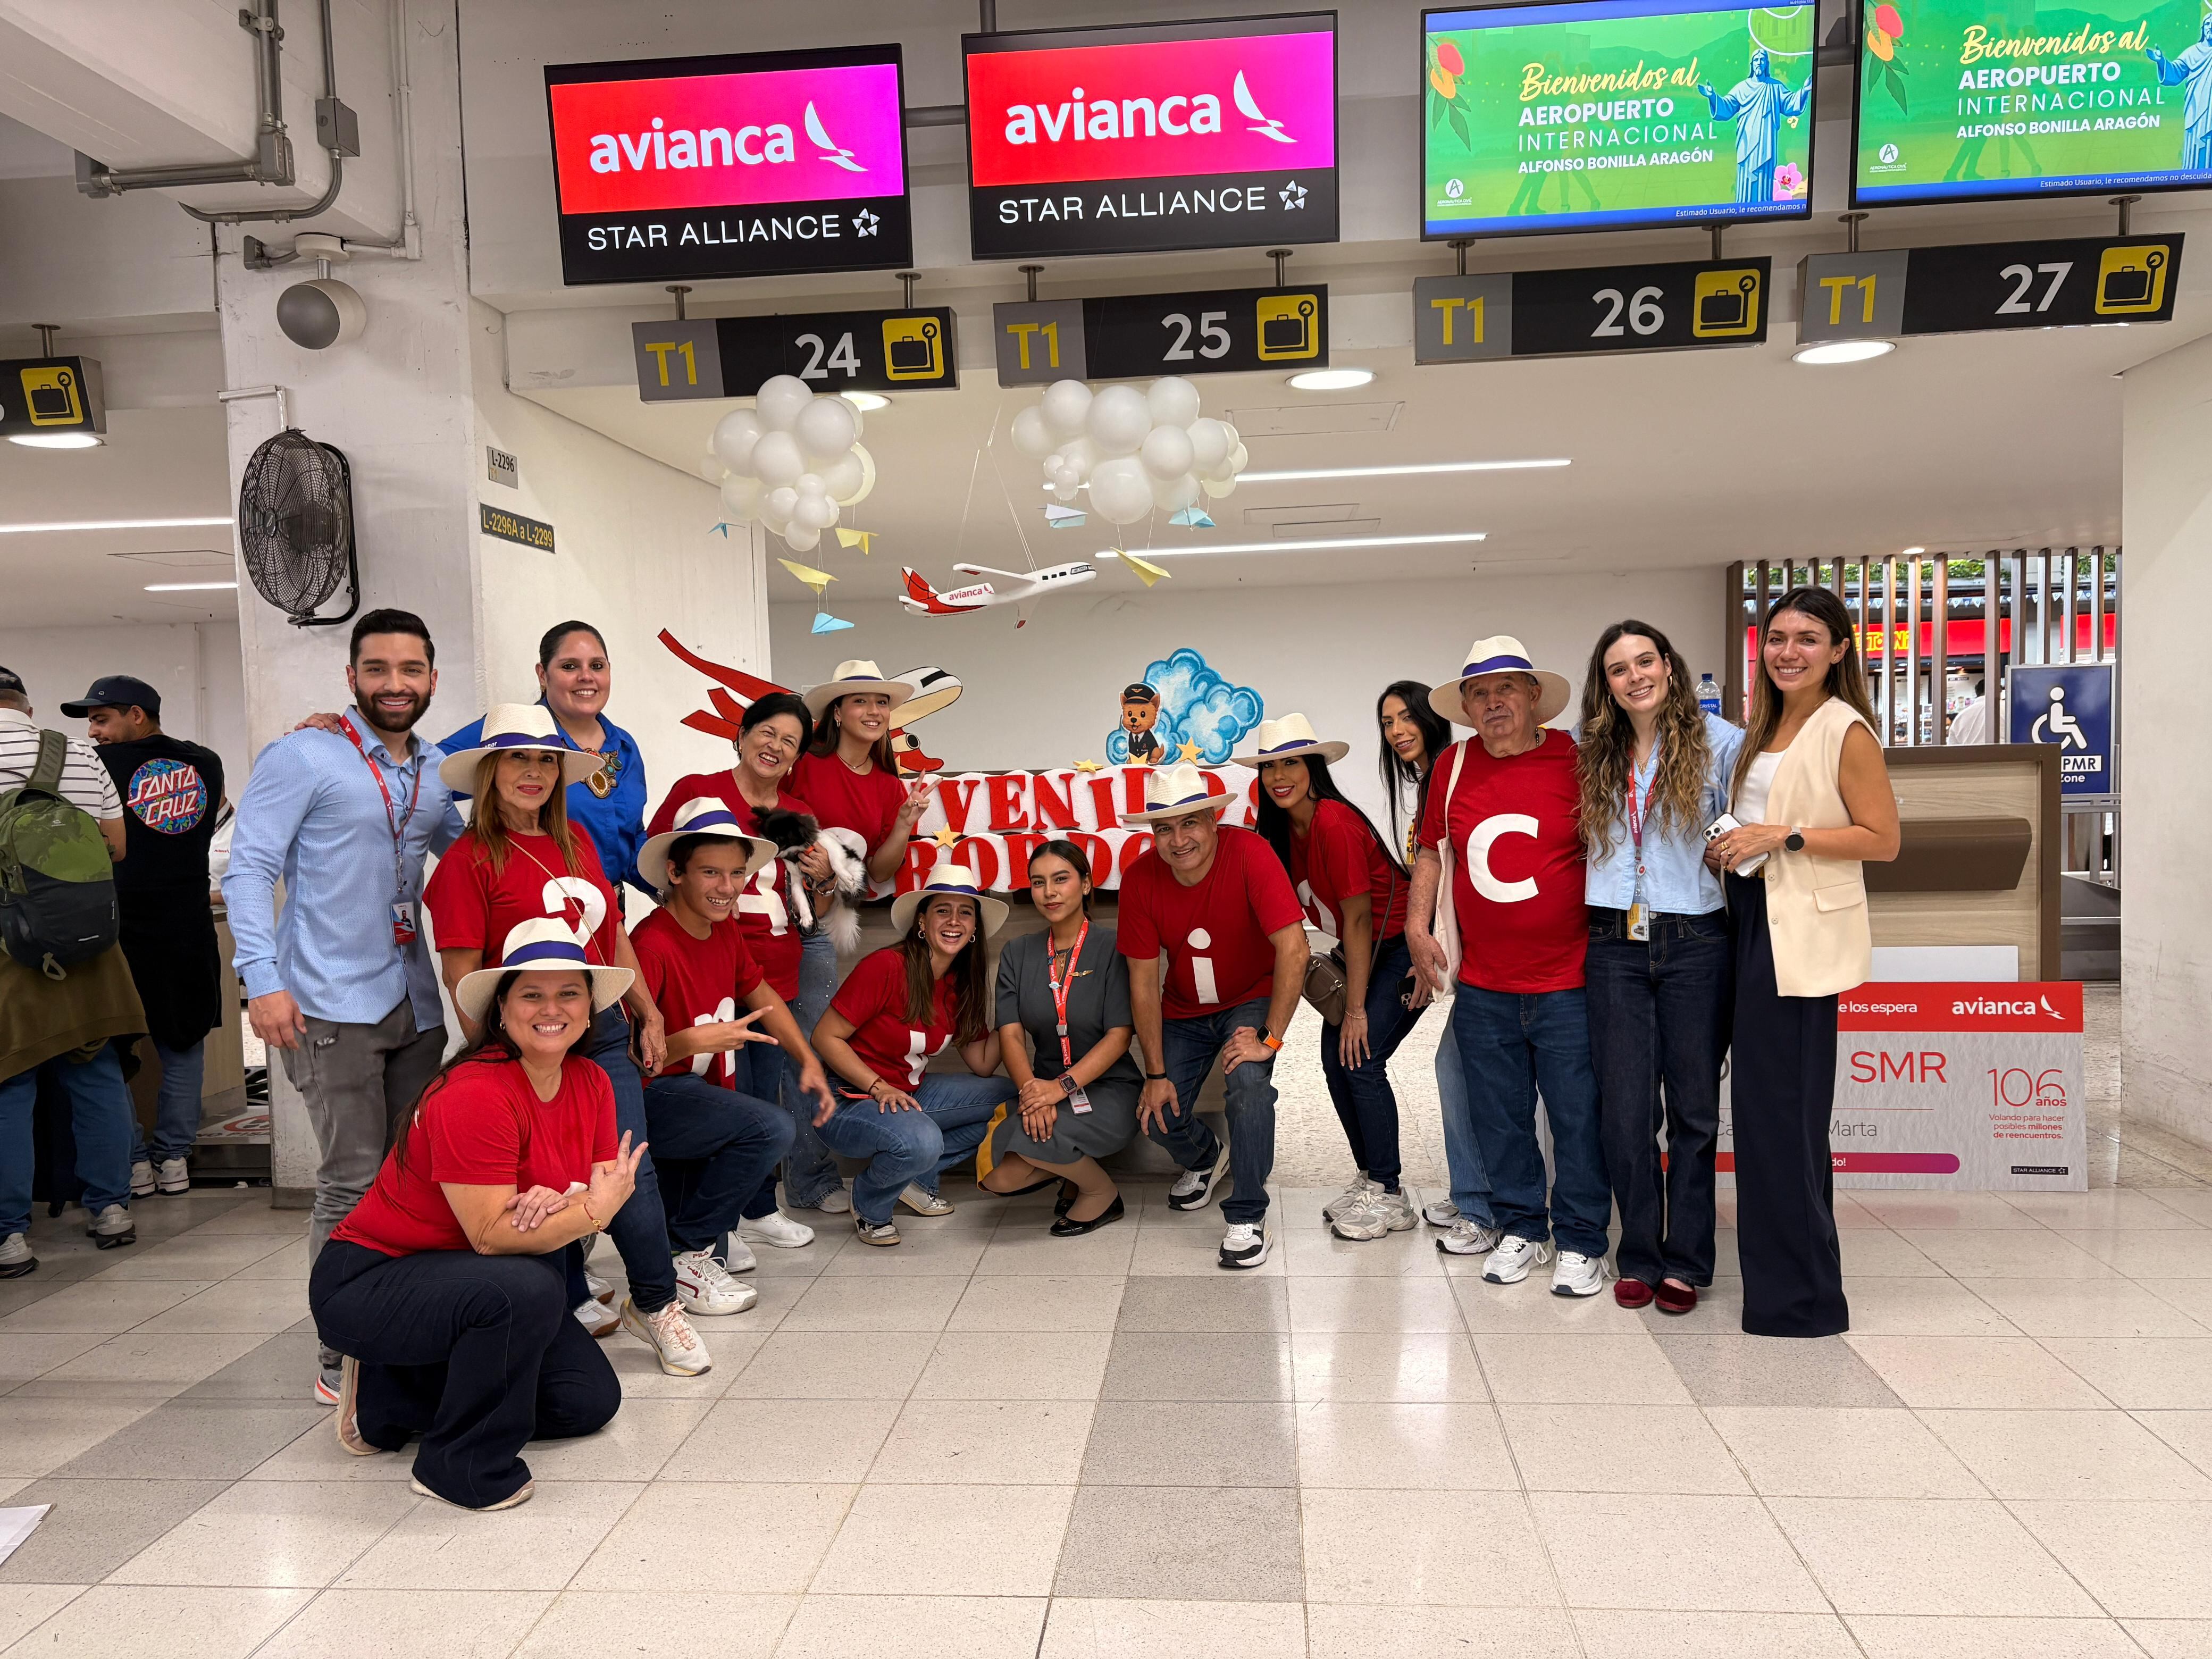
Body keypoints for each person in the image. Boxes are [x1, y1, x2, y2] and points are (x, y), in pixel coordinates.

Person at [419, 704, 708, 1377]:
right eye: (517, 758)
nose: (533, 772)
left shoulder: (576, 838)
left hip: (600, 1033)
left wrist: (646, 1008)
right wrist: (499, 1060)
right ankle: (566, 1293)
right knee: (539, 1181)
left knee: (626, 1169)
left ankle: (657, 1303)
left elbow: (609, 933)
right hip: (523, 1043)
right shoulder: (466, 864)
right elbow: (461, 973)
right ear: (489, 770)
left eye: (545, 759)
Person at [312, 919, 639, 1511]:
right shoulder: (476, 1092)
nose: (552, 1008)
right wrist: (589, 1208)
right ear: (502, 1011)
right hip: (373, 1278)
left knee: (586, 1402)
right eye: (531, 994)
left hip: (465, 1277)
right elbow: (494, 1235)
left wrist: (564, 1204)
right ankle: (456, 1465)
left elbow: (579, 1195)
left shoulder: (590, 1080)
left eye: (569, 993)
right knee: (526, 1285)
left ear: (591, 1010)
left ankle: (391, 1396)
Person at [224, 610, 459, 1402]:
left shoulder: (433, 770)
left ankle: (403, 1326)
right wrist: (261, 980)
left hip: (415, 1003)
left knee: (413, 1178)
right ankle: (342, 1351)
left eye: (411, 670)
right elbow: (248, 868)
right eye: (378, 669)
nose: (396, 684)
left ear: (433, 677)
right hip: (326, 1001)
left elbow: (469, 856)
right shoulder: (304, 754)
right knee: (351, 1183)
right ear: (352, 676)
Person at [1710, 588, 1900, 1339]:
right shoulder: (1768, 724)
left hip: (1799, 941)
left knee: (1783, 1120)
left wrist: (1781, 837)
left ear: (1840, 650)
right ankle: (1785, 1290)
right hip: (1753, 921)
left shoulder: (1844, 729)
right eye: (1779, 637)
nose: (1789, 651)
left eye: (1809, 638)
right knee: (1762, 1118)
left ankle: (1803, 1302)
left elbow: (1881, 840)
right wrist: (1736, 844)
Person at [1406, 635, 1610, 1297]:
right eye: (1478, 693)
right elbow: (1431, 853)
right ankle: (1522, 1224)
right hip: (1485, 984)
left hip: (1568, 981)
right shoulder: (1452, 766)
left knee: (1577, 1116)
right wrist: (1415, 923)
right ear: (1464, 706)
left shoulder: (1576, 759)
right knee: (1499, 1115)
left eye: (1505, 689)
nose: (1492, 702)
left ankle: (1582, 1240)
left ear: (1532, 698)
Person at [1576, 623, 1742, 1314]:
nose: (1635, 675)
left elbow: (1749, 827)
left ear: (1670, 668)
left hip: (1695, 939)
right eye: (1619, 669)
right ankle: (1639, 1253)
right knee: (1625, 1113)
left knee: (1695, 1113)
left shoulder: (1722, 743)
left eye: (1646, 660)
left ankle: (1689, 1261)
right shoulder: (1592, 753)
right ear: (1606, 685)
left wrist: (1730, 842)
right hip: (1613, 940)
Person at [630, 799, 837, 1303]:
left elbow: (760, 991)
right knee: (769, 1126)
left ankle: (691, 1254)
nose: (727, 888)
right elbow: (632, 1059)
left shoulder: (722, 930)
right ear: (675, 872)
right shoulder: (652, 943)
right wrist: (691, 1042)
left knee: (750, 1128)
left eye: (737, 874)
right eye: (711, 873)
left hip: (699, 1093)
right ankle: (687, 1254)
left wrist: (806, 1058)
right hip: (658, 1099)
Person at [647, 690, 841, 1228]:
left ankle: (756, 1207)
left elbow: (811, 906)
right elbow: (657, 862)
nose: (775, 747)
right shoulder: (697, 793)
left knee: (761, 1090)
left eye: (790, 742)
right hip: (706, 966)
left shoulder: (798, 812)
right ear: (741, 734)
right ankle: (709, 1216)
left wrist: (824, 874)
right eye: (767, 732)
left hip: (770, 968)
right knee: (709, 1090)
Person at [1237, 714, 1421, 1243]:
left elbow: (1361, 920)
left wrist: (1358, 1009)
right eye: (1269, 765)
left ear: (1312, 767)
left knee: (1359, 1057)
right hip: (1365, 946)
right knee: (1335, 1057)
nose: (1278, 774)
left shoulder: (1332, 823)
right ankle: (1371, 1177)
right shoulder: (1280, 830)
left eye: (1289, 762)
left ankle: (1389, 1194)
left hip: (1399, 949)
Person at [1118, 762, 1309, 1269]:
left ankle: (1247, 1214)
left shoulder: (1250, 852)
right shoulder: (1139, 880)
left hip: (1249, 997)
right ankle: (1207, 1157)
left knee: (1248, 1084)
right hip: (1183, 1009)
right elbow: (1142, 982)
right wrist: (1155, 1073)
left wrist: (1270, 1038)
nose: (1179, 839)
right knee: (1157, 1117)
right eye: (1164, 828)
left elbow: (1294, 949)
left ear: (1212, 821)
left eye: (1190, 823)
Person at [62, 674, 227, 1199]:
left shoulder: (98, 767)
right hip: (187, 927)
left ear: (137, 714)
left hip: (117, 931)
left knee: (109, 1051)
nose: (93, 732)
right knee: (185, 1043)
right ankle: (174, 1159)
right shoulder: (205, 763)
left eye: (101, 718)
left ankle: (132, 1161)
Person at [0, 665, 141, 1274]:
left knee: (9, 1084)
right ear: (25, 708)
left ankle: (9, 1236)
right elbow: (116, 847)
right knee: (96, 1071)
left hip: (10, 948)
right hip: (89, 942)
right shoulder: (80, 754)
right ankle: (111, 1209)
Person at [785, 659, 936, 1212]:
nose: (874, 712)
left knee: (808, 1049)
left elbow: (878, 873)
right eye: (860, 702)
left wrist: (902, 823)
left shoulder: (888, 784)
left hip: (827, 928)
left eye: (881, 703)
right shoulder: (803, 768)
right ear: (836, 712)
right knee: (795, 1051)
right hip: (782, 921)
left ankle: (810, 1176)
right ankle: (806, 1179)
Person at [810, 859, 1018, 1245]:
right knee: (922, 1139)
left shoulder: (960, 984)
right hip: (845, 1100)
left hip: (906, 1094)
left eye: (965, 913)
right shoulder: (887, 967)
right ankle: (871, 1205)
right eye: (943, 910)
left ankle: (913, 1178)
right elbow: (825, 1038)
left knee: (1010, 1099)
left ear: (974, 928)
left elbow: (984, 1064)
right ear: (921, 922)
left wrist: (1015, 1005)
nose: (954, 921)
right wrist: (877, 1087)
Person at [1378, 682, 1498, 1256]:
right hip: (1455, 946)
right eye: (1386, 722)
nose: (1398, 730)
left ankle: (1483, 1196)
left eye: (1406, 717)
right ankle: (1475, 1190)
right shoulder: (1432, 780)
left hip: (1483, 951)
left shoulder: (1451, 774)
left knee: (1457, 1068)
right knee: (1457, 1068)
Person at [976, 840, 1142, 1236]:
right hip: (1039, 1089)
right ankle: (1069, 1168)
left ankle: (1101, 1192)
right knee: (999, 1177)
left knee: (1037, 1145)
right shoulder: (1018, 953)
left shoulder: (1115, 947)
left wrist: (1061, 1088)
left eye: (1061, 879)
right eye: (1038, 882)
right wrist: (1034, 1091)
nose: (1049, 892)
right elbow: (1011, 1037)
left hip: (1108, 1087)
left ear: (1085, 885)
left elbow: (1120, 1037)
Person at [439, 622, 652, 896]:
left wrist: (669, 888)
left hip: (609, 912)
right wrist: (465, 847)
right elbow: (427, 780)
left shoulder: (625, 747)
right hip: (532, 907)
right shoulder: (510, 734)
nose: (586, 676)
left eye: (597, 666)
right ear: (543, 675)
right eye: (570, 667)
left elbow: (631, 837)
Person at [1698, 47, 1809, 204]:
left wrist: (1804, 91)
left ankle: (1764, 205)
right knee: (1746, 175)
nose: (1759, 63)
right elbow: (1728, 106)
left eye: (1762, 60)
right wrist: (1713, 96)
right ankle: (1743, 206)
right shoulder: (1742, 87)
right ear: (1752, 65)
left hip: (1766, 142)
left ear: (1766, 64)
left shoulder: (1775, 87)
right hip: (1746, 141)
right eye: (1756, 60)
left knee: (1764, 174)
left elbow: (1790, 103)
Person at [1949, 676, 1990, 745]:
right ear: (2000, 691)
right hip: (2006, 755)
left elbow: (1952, 750)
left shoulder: (1961, 716)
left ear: (1977, 693)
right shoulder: (2009, 712)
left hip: (1970, 756)